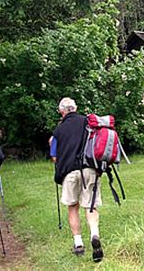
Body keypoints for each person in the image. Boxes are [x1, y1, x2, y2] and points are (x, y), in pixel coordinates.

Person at [51, 97, 104, 262]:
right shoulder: (88, 123)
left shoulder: (58, 131)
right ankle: (94, 234)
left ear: (61, 111)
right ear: (75, 108)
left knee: (73, 206)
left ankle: (78, 243)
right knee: (90, 205)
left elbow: (54, 157)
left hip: (70, 172)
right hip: (90, 169)